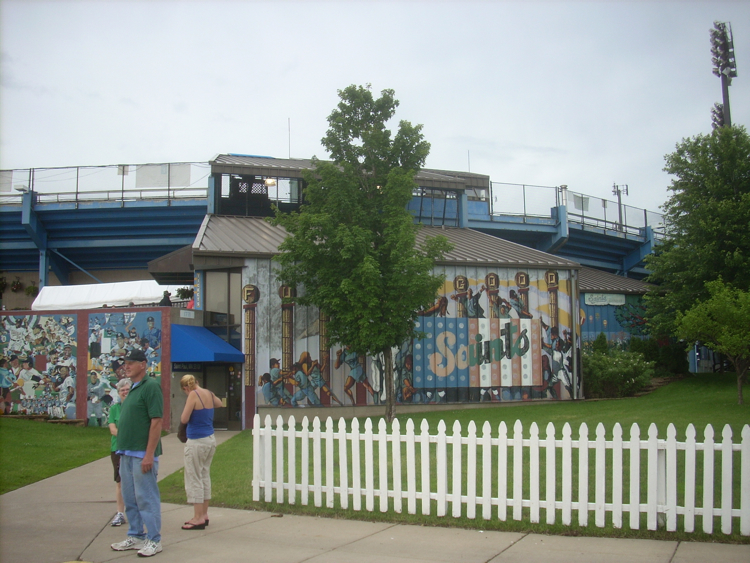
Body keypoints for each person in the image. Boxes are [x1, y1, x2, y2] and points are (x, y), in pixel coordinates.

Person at [110, 349, 163, 557]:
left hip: (142, 453)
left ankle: (154, 539)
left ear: (143, 364)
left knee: (146, 496)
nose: (127, 366)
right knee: (129, 496)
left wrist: (149, 454)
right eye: (125, 363)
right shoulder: (132, 388)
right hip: (126, 452)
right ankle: (136, 534)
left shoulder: (151, 387)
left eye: (131, 362)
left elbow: (156, 421)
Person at [179, 374, 222, 530]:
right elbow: (218, 403)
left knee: (194, 477)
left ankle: (197, 517)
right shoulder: (208, 393)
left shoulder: (192, 395)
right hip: (210, 439)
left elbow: (184, 419)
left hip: (196, 440)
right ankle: (204, 514)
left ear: (185, 387)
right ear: (196, 382)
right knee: (204, 475)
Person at [108, 378, 132, 527]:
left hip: (133, 449)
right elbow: (112, 429)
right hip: (117, 448)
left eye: (127, 390)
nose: (125, 392)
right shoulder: (114, 409)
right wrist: (125, 436)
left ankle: (136, 512)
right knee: (120, 482)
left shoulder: (135, 407)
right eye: (122, 390)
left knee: (135, 481)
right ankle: (120, 513)